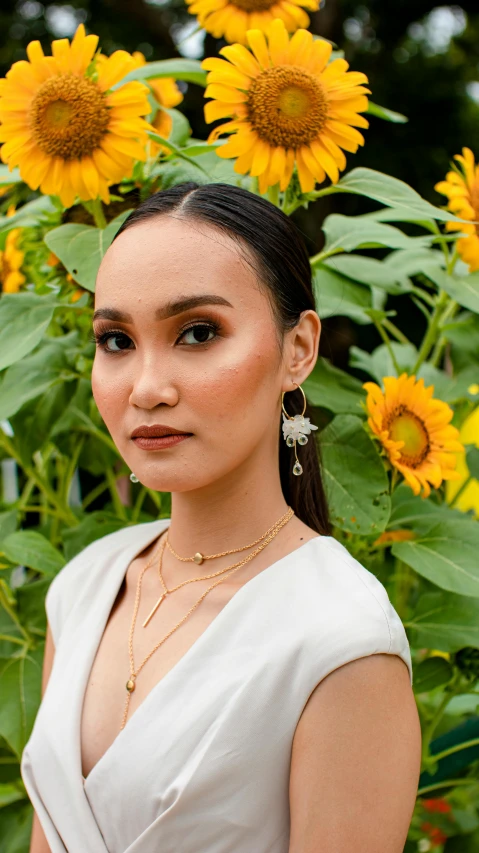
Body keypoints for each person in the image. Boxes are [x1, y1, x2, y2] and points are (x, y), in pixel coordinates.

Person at [21, 182, 421, 853]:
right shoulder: (85, 586)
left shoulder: (341, 640)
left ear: (297, 349)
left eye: (197, 332)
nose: (147, 387)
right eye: (115, 339)